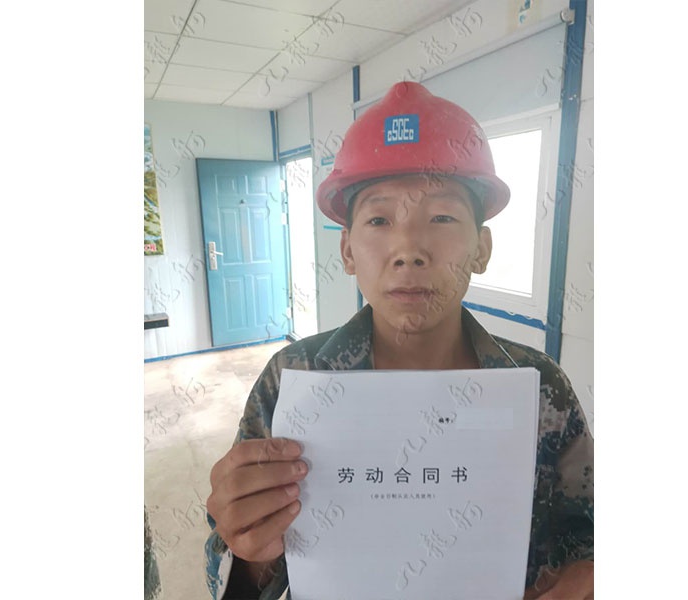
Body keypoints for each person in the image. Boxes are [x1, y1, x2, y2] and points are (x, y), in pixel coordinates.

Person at [205, 81, 594, 599]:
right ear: (347, 251)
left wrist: (589, 575)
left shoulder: (540, 385)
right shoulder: (293, 378)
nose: (408, 249)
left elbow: (589, 531)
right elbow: (240, 571)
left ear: (482, 248)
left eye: (442, 217)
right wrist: (248, 549)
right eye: (379, 219)